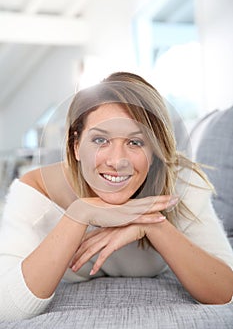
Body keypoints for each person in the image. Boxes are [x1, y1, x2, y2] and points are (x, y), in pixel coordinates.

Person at [0, 72, 233, 321]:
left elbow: (225, 291)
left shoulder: (180, 183)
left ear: (154, 148)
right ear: (76, 145)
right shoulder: (37, 191)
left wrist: (152, 225)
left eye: (135, 142)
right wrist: (79, 214)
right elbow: (6, 308)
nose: (117, 161)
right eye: (100, 139)